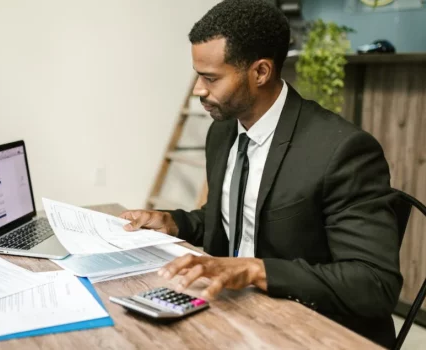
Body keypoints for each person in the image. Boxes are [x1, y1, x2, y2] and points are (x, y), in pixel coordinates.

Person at [120, 0, 403, 347]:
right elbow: (229, 219)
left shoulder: (342, 151)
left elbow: (373, 284)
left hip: (315, 327)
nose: (198, 90)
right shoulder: (224, 131)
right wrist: (172, 222)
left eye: (210, 78)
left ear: (261, 72)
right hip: (237, 312)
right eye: (197, 75)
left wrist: (256, 269)